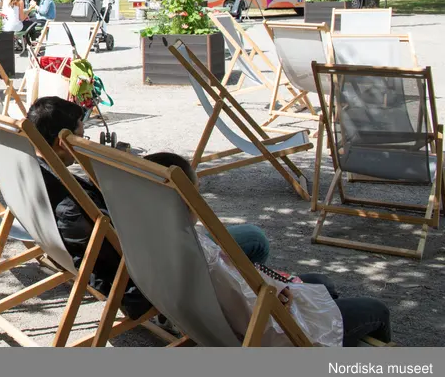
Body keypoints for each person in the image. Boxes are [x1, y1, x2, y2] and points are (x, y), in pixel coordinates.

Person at [28, 97, 271, 319]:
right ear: (62, 142)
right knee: (254, 239)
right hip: (149, 277)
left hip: (115, 269)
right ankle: (236, 313)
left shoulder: (33, 176)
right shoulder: (71, 205)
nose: (83, 142)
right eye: (81, 136)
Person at [145, 152, 392, 347]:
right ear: (185, 200)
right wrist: (273, 294)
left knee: (321, 283)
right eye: (196, 192)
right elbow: (249, 306)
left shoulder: (148, 236)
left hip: (229, 319)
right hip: (270, 335)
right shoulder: (201, 257)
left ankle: (343, 326)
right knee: (376, 310)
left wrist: (275, 288)